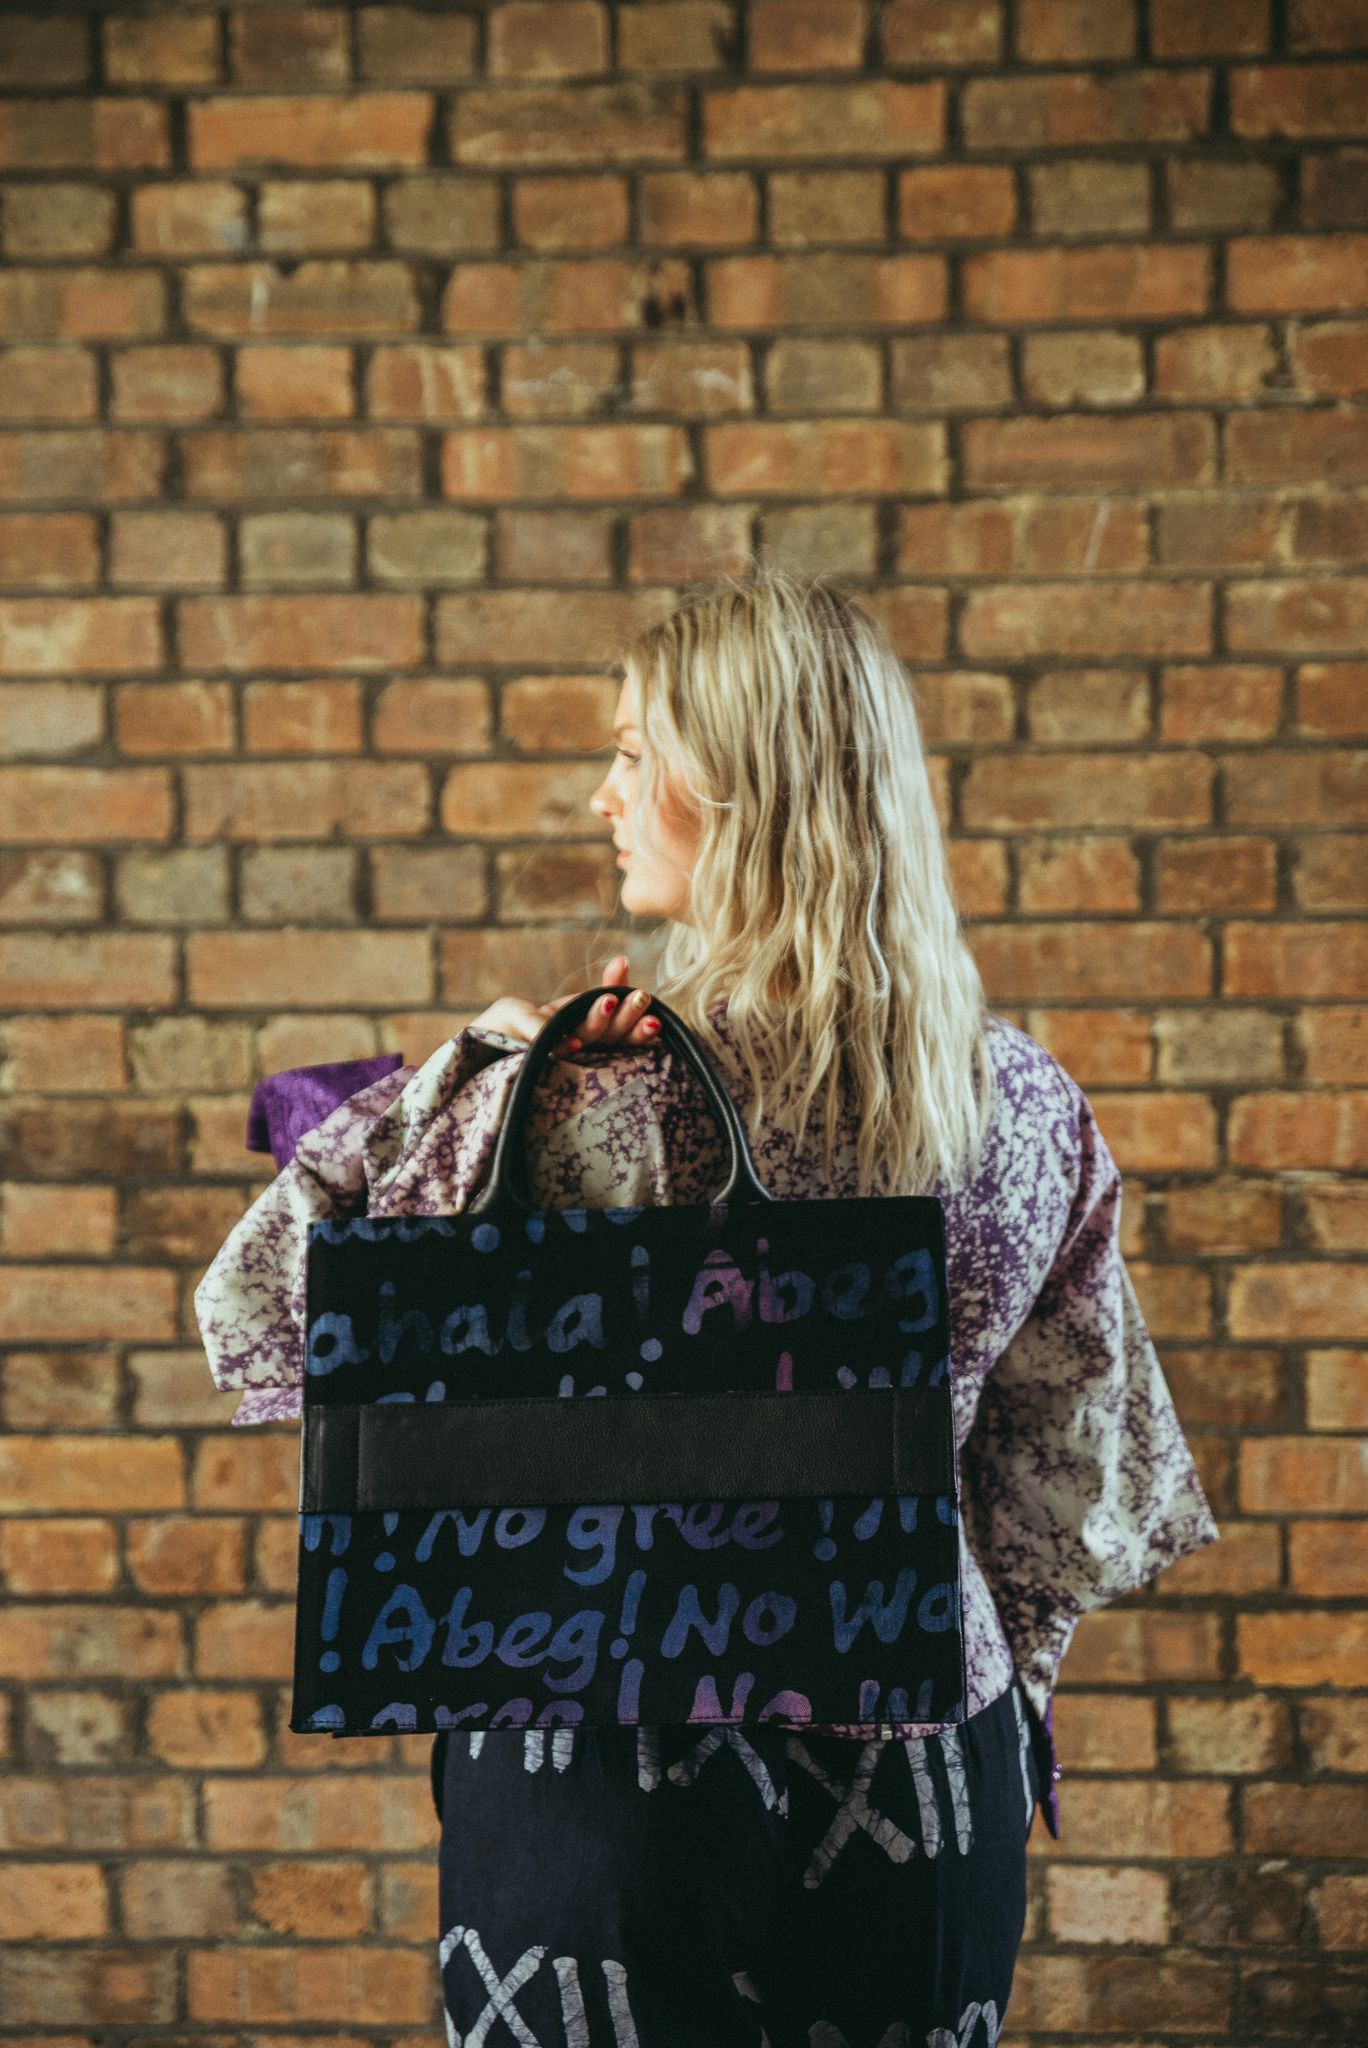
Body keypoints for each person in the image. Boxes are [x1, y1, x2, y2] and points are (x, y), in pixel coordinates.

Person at [195, 564, 1218, 2048]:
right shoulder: (1032, 1110)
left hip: (601, 1768)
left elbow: (268, 1302)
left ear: (734, 787)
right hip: (928, 1767)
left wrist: (473, 1069)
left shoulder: (585, 1103)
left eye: (630, 752)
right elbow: (1062, 1497)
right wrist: (1009, 1706)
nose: (599, 796)